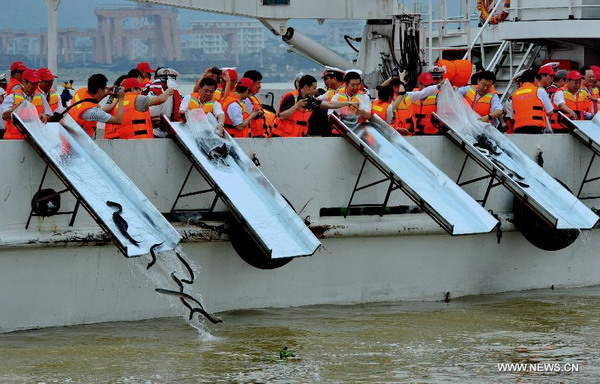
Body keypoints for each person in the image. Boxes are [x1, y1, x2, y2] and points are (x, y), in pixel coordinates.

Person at [274, 74, 358, 137]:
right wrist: (297, 106)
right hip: (282, 136)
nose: (315, 91)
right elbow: (282, 116)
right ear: (306, 87)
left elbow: (330, 104)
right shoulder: (291, 97)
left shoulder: (310, 99)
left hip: (297, 137)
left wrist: (348, 103)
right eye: (314, 88)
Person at [105, 77, 174, 139]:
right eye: (139, 89)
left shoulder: (118, 103)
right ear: (132, 89)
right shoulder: (138, 99)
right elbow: (160, 99)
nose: (141, 92)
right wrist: (168, 92)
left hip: (125, 140)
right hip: (141, 140)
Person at [68, 73, 125, 138]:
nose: (105, 90)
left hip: (70, 135)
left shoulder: (81, 91)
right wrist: (121, 99)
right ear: (99, 90)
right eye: (104, 88)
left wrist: (104, 94)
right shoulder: (92, 112)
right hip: (80, 141)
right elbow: (118, 120)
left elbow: (91, 100)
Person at [1, 69, 52, 140]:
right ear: (24, 82)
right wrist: (17, 108)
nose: (35, 86)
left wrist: (44, 117)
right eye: (32, 83)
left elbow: (49, 115)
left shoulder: (41, 97)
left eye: (37, 83)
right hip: (14, 140)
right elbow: (4, 116)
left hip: (35, 140)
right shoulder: (12, 97)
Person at [511, 69, 554, 134]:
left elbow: (512, 116)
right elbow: (550, 112)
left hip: (518, 129)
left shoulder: (515, 94)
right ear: (535, 79)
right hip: (535, 128)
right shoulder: (539, 91)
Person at [145, 67, 182, 137]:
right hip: (153, 130)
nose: (164, 84)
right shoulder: (153, 92)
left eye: (166, 82)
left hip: (169, 132)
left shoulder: (176, 95)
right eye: (163, 81)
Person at [243, 70, 273, 137]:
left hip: (258, 135)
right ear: (251, 84)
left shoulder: (252, 98)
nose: (260, 86)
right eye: (258, 83)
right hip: (250, 137)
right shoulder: (245, 100)